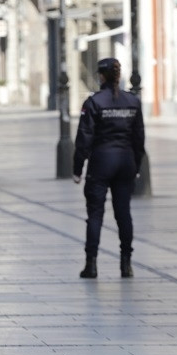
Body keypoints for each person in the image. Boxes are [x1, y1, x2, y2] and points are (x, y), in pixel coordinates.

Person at [72, 57, 145, 279]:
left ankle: (91, 264)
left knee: (95, 214)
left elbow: (84, 137)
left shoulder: (94, 102)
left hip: (101, 163)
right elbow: (139, 137)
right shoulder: (132, 102)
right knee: (124, 213)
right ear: (119, 76)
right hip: (125, 163)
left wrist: (77, 168)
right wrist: (137, 165)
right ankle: (126, 264)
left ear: (101, 76)